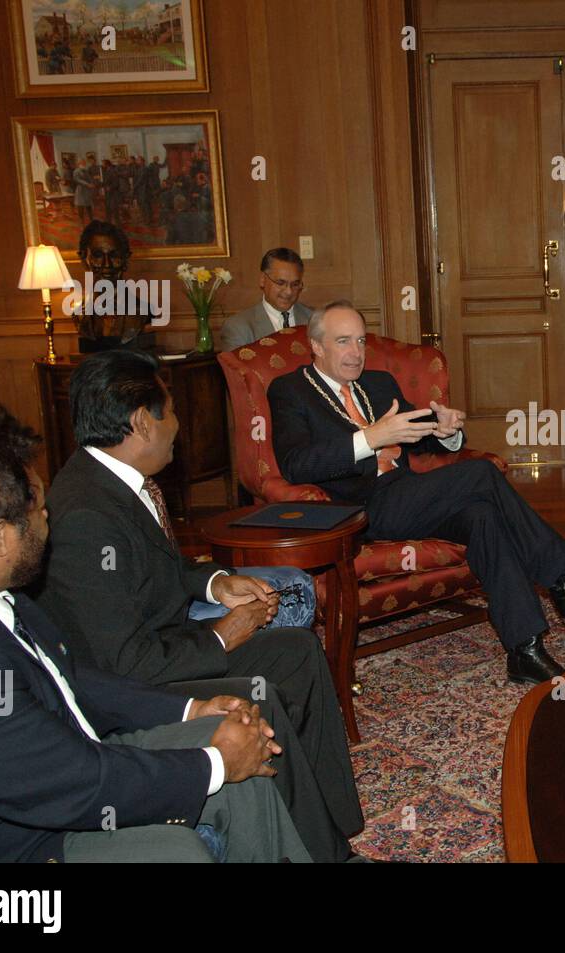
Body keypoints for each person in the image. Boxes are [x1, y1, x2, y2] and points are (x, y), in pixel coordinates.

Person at [0, 406, 311, 862]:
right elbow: (69, 785)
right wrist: (216, 764)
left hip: (72, 762)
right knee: (176, 851)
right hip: (19, 842)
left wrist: (192, 709)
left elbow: (69, 678)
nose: (49, 518)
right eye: (40, 509)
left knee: (233, 742)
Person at [33, 349, 365, 861]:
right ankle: (322, 854)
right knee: (262, 695)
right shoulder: (85, 515)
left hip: (164, 644)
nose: (179, 425)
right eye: (171, 411)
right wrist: (221, 636)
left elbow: (156, 566)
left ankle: (333, 823)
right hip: (133, 682)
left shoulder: (118, 480)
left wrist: (215, 585)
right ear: (142, 422)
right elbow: (124, 664)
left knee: (298, 651)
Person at [267, 301, 565, 683]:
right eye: (343, 342)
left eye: (361, 341)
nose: (356, 353)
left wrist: (446, 432)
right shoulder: (290, 391)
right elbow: (297, 464)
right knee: (482, 473)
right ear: (316, 346)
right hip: (360, 510)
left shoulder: (379, 383)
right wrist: (370, 438)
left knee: (484, 517)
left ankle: (525, 650)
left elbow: (422, 437)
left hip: (409, 495)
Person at [219, 247, 314, 350]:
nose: (289, 291)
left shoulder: (314, 320)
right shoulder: (238, 327)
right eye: (280, 283)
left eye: (295, 284)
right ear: (263, 280)